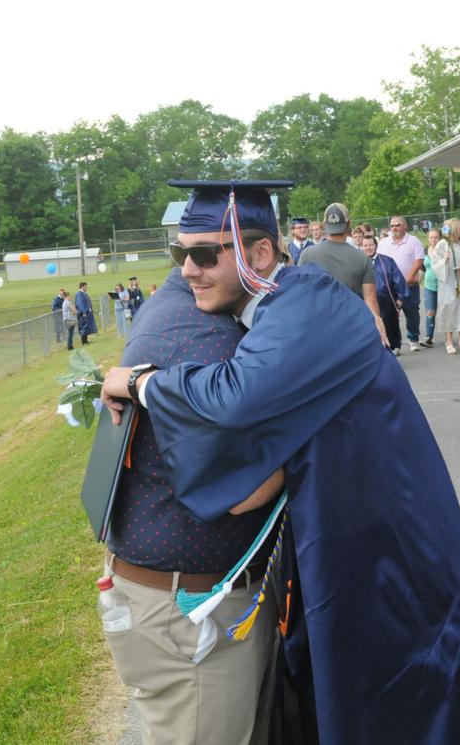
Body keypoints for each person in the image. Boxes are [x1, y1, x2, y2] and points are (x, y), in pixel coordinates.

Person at [101, 179, 460, 744]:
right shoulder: (275, 306)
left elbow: (233, 397)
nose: (187, 271)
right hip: (354, 541)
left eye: (204, 255)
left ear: (261, 253)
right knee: (356, 700)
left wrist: (135, 380)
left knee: (420, 704)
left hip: (401, 553)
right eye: (180, 255)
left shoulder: (308, 303)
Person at [102, 263, 283, 745]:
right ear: (258, 253)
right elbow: (245, 493)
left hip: (157, 594)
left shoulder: (168, 307)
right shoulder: (212, 345)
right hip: (193, 611)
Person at [297, 202, 387, 346]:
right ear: (348, 224)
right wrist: (376, 319)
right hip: (351, 327)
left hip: (317, 327)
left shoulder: (307, 255)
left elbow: (299, 294)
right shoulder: (362, 258)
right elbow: (370, 299)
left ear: (324, 225)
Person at [377, 215, 426, 351]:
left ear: (405, 226)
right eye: (392, 226)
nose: (394, 228)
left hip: (410, 285)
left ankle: (413, 338)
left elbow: (419, 260)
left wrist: (409, 277)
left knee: (412, 313)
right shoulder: (383, 243)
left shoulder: (413, 241)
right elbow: (379, 262)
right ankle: (395, 343)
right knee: (391, 316)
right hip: (391, 288)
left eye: (398, 225)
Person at [364, 233, 408, 355]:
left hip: (387, 300)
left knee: (390, 322)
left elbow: (398, 278)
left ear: (376, 245)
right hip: (367, 300)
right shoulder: (359, 263)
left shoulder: (387, 261)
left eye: (370, 245)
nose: (368, 248)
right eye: (365, 245)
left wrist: (400, 297)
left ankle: (394, 346)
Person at [431, 218, 460, 354]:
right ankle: (449, 341)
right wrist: (444, 260)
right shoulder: (443, 244)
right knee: (448, 308)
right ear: (454, 228)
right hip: (448, 281)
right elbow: (435, 263)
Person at [421, 229, 440, 347]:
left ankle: (452, 337)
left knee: (447, 312)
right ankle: (429, 337)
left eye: (436, 237)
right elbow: (422, 269)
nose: (433, 240)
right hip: (429, 286)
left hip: (443, 286)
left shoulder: (444, 250)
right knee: (430, 312)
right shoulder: (424, 250)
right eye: (431, 237)